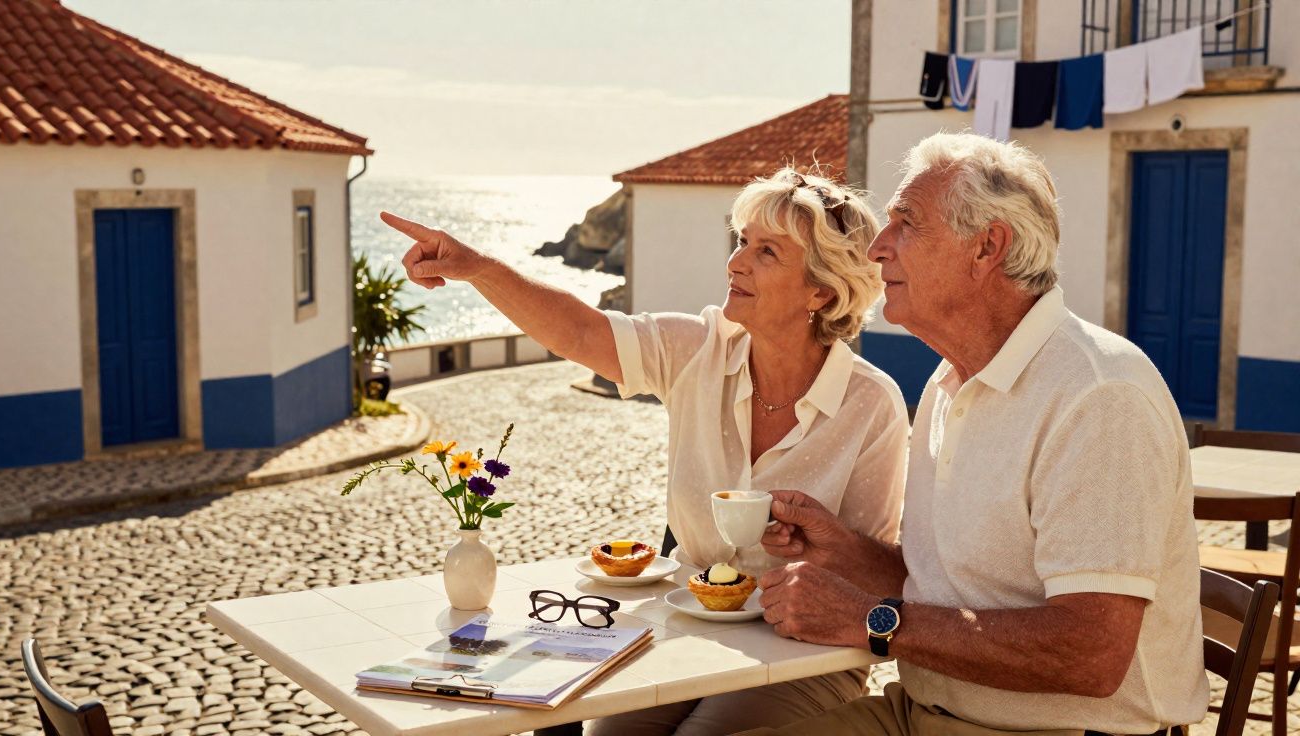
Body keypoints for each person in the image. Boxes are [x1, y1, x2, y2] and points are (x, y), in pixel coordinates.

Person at [381, 167, 909, 735]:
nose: (735, 263)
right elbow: (580, 334)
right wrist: (477, 268)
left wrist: (820, 545)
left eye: (767, 253)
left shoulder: (871, 403)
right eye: (741, 242)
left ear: (822, 289)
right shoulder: (696, 350)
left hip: (808, 650)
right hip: (686, 620)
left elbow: (883, 574)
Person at [744, 132, 1209, 736]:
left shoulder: (1097, 395)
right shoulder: (950, 383)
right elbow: (957, 590)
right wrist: (844, 554)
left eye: (905, 222)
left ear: (987, 246)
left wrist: (873, 620)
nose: (877, 249)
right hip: (923, 713)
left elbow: (1092, 654)